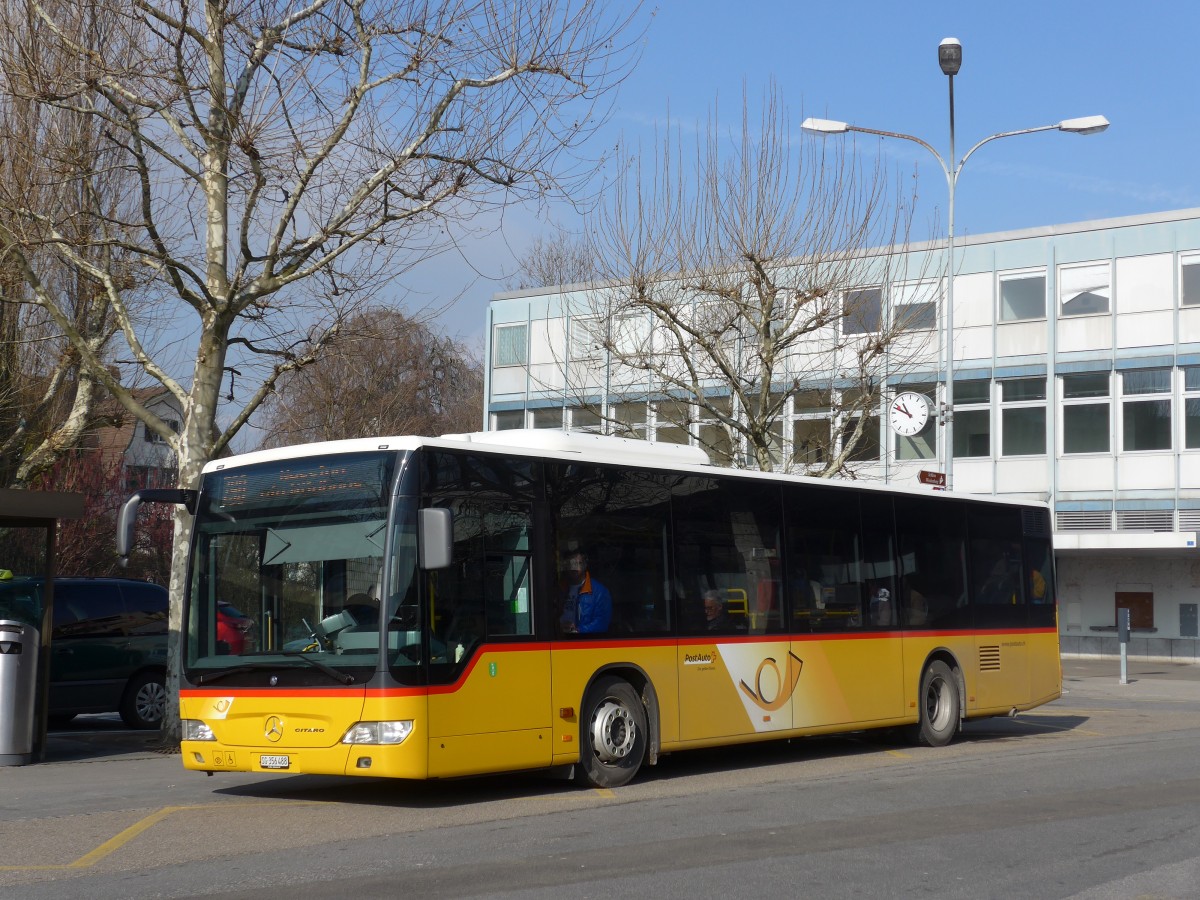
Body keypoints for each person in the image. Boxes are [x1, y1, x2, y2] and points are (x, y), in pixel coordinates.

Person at [559, 551, 611, 634]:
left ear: (584, 565)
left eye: (577, 563)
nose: (574, 568)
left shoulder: (599, 591)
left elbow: (602, 622)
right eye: (570, 564)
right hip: (559, 639)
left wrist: (577, 631)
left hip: (583, 642)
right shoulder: (559, 589)